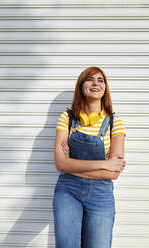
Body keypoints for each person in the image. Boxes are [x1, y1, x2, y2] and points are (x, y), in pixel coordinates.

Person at [52, 66, 126, 248]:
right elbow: (60, 164)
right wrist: (103, 164)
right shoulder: (67, 119)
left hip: (101, 195)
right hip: (68, 192)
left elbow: (113, 173)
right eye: (90, 79)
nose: (96, 84)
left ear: (105, 89)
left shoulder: (115, 122)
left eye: (101, 80)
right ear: (81, 86)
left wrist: (73, 166)